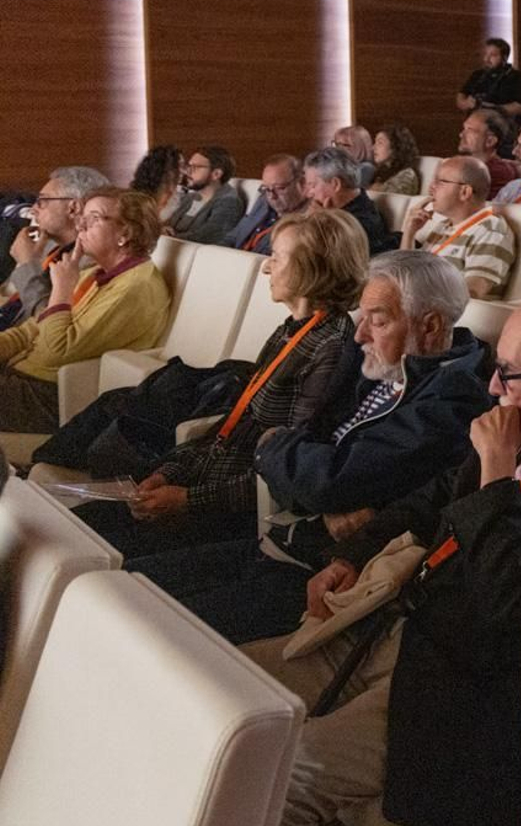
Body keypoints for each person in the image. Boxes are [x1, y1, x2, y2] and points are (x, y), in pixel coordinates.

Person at [245, 295, 521, 826]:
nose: (492, 387)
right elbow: (432, 499)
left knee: (271, 780)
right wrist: (353, 554)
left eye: (508, 373)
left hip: (455, 679)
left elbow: (510, 600)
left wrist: (496, 475)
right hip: (393, 622)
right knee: (224, 692)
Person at [126, 251, 493, 645]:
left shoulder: (453, 399)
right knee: (126, 587)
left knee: (148, 630)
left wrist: (275, 451)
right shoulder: (382, 366)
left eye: (378, 320)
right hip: (280, 535)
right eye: (362, 317)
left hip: (317, 572)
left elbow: (327, 481)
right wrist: (307, 475)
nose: (360, 335)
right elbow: (312, 442)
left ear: (431, 325)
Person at [76, 211, 367, 559]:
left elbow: (287, 467)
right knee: (76, 524)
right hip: (204, 481)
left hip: (230, 509)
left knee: (94, 548)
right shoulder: (291, 330)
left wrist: (187, 500)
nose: (266, 267)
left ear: (313, 268)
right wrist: (168, 473)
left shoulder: (332, 346)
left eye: (277, 257)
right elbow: (232, 425)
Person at [0, 189, 170, 433]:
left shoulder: (136, 288)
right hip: (21, 375)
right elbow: (29, 330)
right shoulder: (94, 273)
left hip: (49, 396)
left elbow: (57, 351)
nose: (80, 226)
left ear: (125, 233)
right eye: (83, 217)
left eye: (94, 218)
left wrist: (61, 290)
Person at [3, 166, 108, 326]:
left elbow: (50, 324)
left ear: (73, 208)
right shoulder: (51, 247)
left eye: (42, 201)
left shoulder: (92, 263)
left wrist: (27, 264)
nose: (33, 209)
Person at [402, 156, 515, 300]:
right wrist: (409, 233)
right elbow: (407, 275)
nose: (431, 187)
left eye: (440, 182)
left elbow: (471, 293)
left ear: (465, 192)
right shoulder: (443, 226)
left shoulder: (491, 230)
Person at [303, 148, 397, 256]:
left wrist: (319, 224)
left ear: (335, 184)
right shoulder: (338, 213)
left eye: (313, 185)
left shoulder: (362, 223)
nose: (309, 194)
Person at [226, 154, 309, 254]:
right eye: (266, 188)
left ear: (302, 183)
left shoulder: (307, 218)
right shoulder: (263, 200)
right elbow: (233, 237)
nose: (272, 196)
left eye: (279, 188)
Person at [169, 145, 244, 245]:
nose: (188, 171)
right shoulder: (190, 197)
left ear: (216, 174)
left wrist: (168, 238)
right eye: (189, 166)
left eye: (195, 167)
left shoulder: (229, 202)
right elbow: (168, 223)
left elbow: (208, 237)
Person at [456, 36, 521, 118]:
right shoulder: (477, 74)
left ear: (504, 58)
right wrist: (467, 103)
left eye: (493, 55)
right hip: (475, 120)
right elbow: (461, 97)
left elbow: (520, 108)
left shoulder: (517, 77)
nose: (486, 59)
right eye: (486, 54)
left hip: (503, 122)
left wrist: (492, 108)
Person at [459, 108, 517, 191]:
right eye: (464, 128)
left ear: (490, 141)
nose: (461, 134)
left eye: (470, 130)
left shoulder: (498, 172)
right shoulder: (466, 166)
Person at [369, 124, 422, 196]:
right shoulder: (381, 173)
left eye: (380, 143)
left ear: (395, 147)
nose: (373, 148)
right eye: (375, 142)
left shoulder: (407, 175)